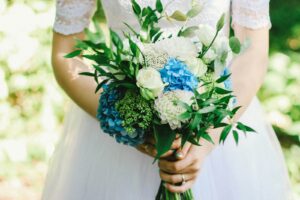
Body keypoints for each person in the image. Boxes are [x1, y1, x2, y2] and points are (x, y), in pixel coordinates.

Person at [42, 0, 292, 199]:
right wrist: (127, 122)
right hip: (122, 129)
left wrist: (207, 140)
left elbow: (253, 50)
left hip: (219, 122)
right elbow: (66, 53)